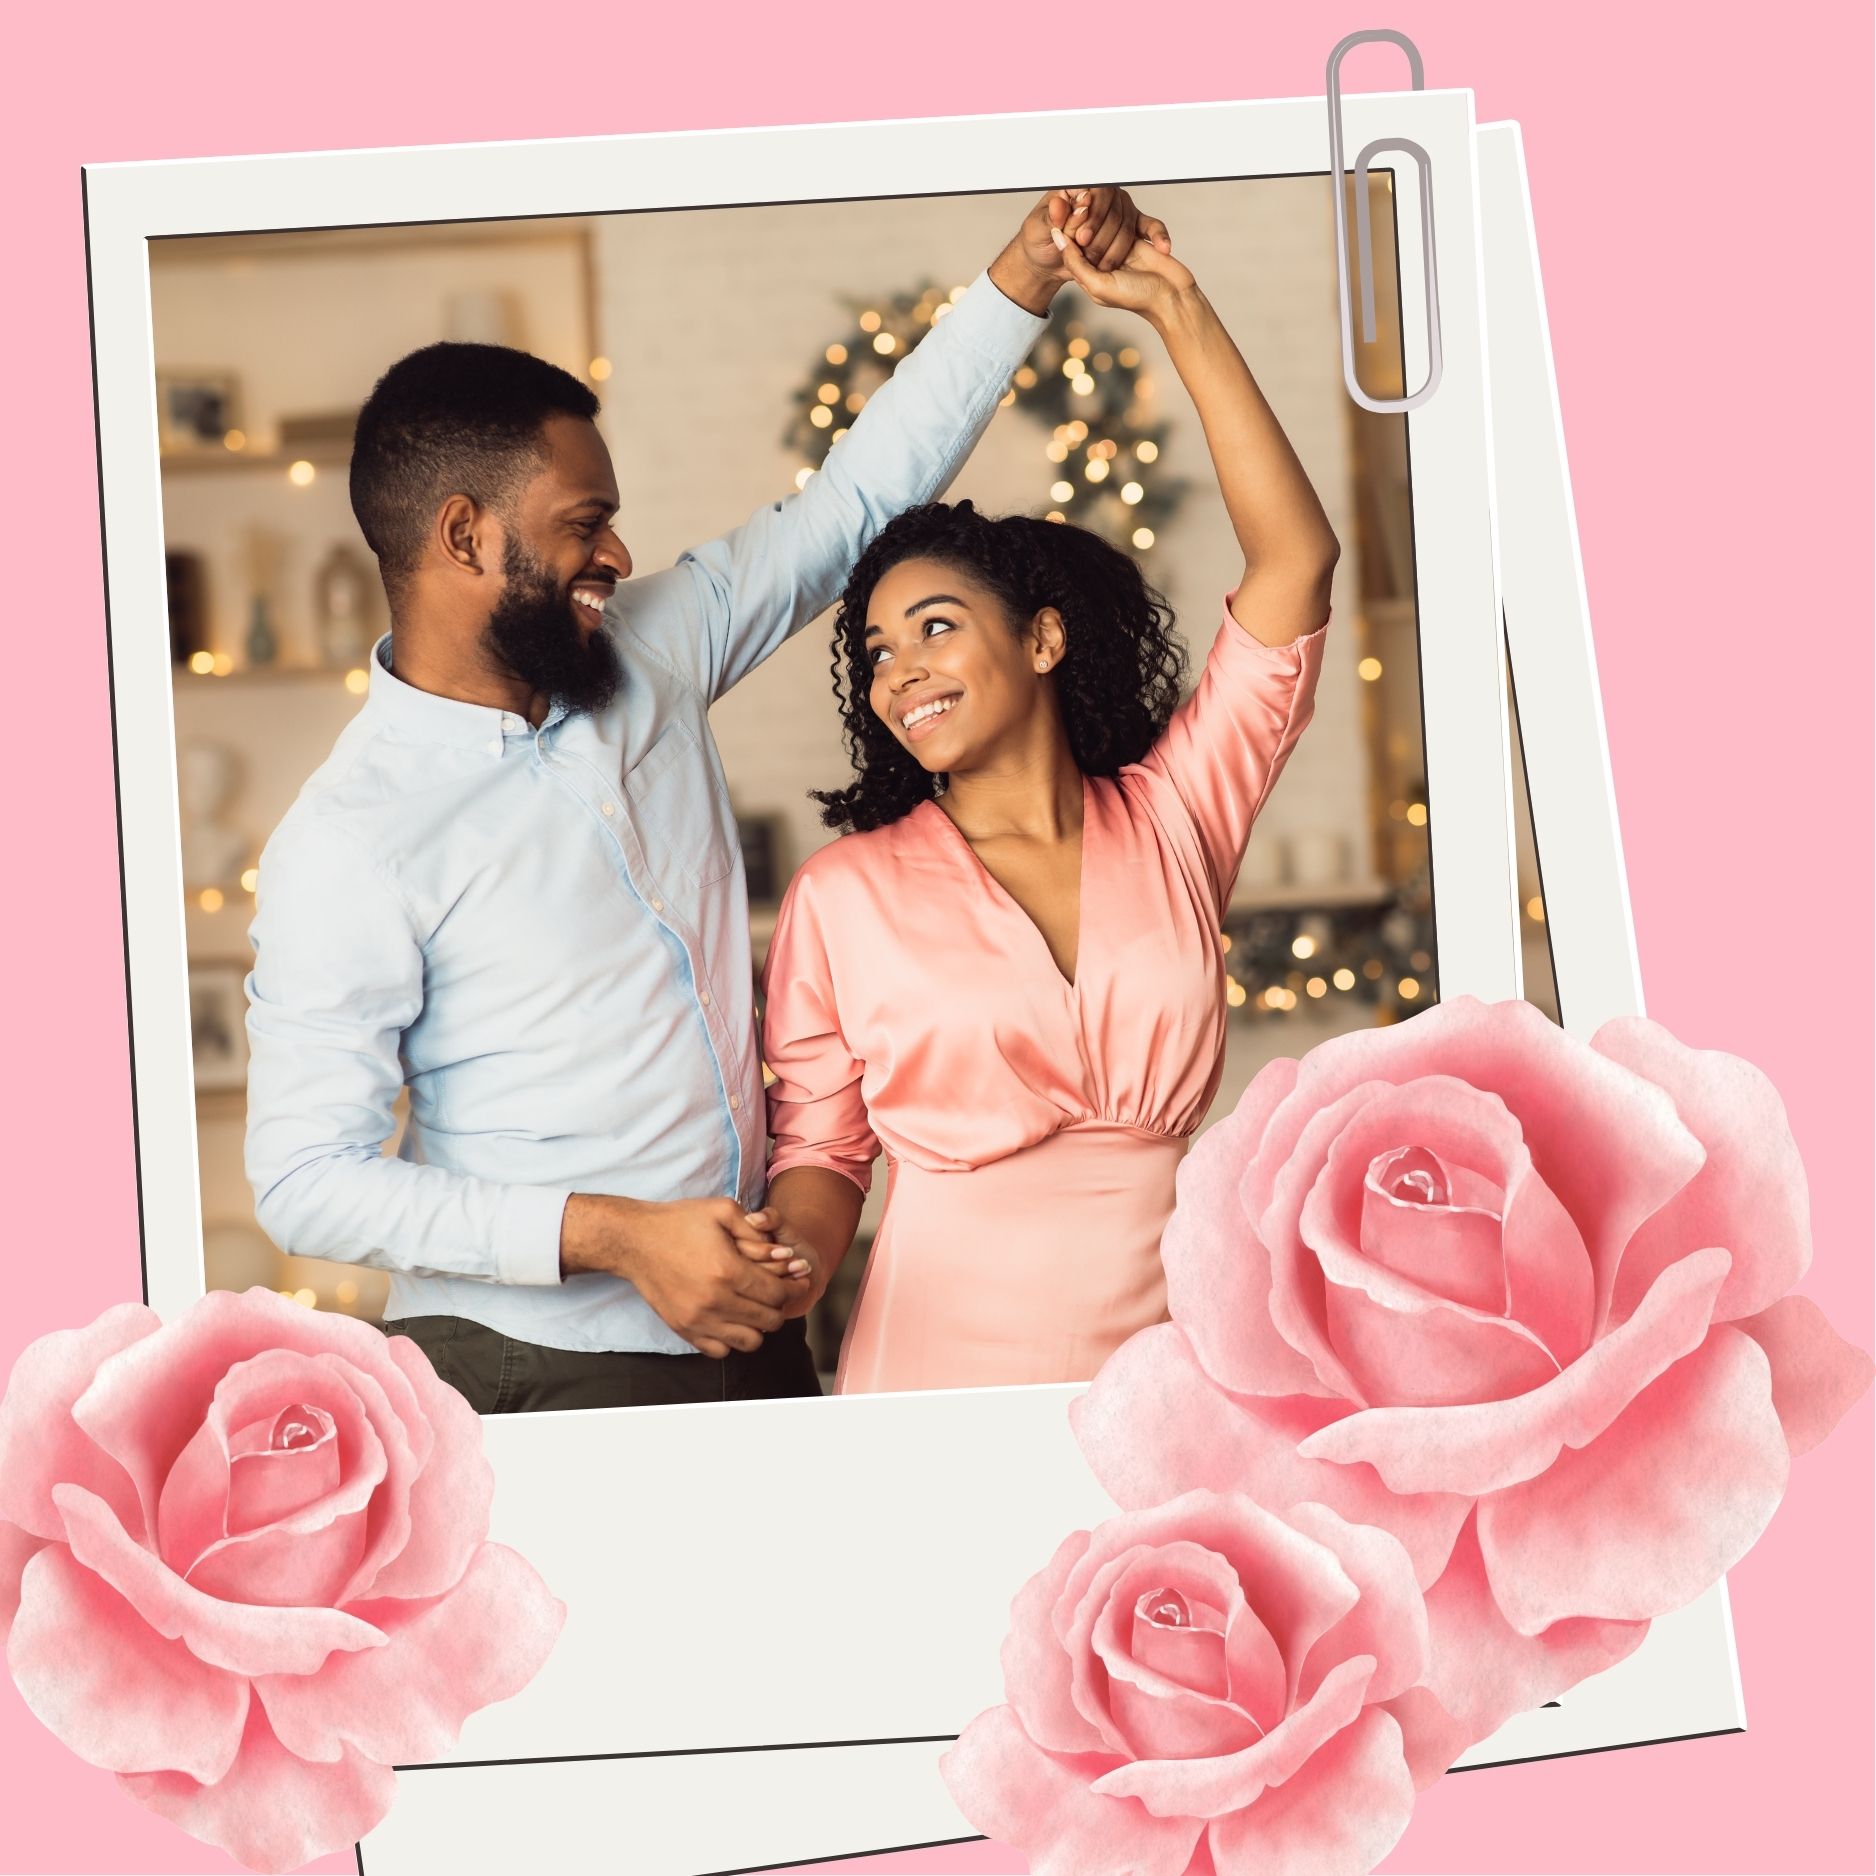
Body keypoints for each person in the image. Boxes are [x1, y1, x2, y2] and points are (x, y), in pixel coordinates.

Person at [243, 186, 1165, 1413]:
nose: (618, 558)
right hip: (529, 1372)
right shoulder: (351, 839)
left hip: (749, 1333)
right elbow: (305, 1178)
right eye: (585, 525)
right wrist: (617, 1236)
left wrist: (1022, 277)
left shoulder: (653, 652)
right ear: (464, 536)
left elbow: (847, 512)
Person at [753, 223, 1339, 1393]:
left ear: (1042, 638)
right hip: (931, 1377)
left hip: (1170, 1378)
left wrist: (1177, 307)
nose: (899, 670)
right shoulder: (843, 894)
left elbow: (1295, 564)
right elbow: (821, 1152)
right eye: (875, 650)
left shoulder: (1175, 816)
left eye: (934, 628)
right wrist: (791, 1265)